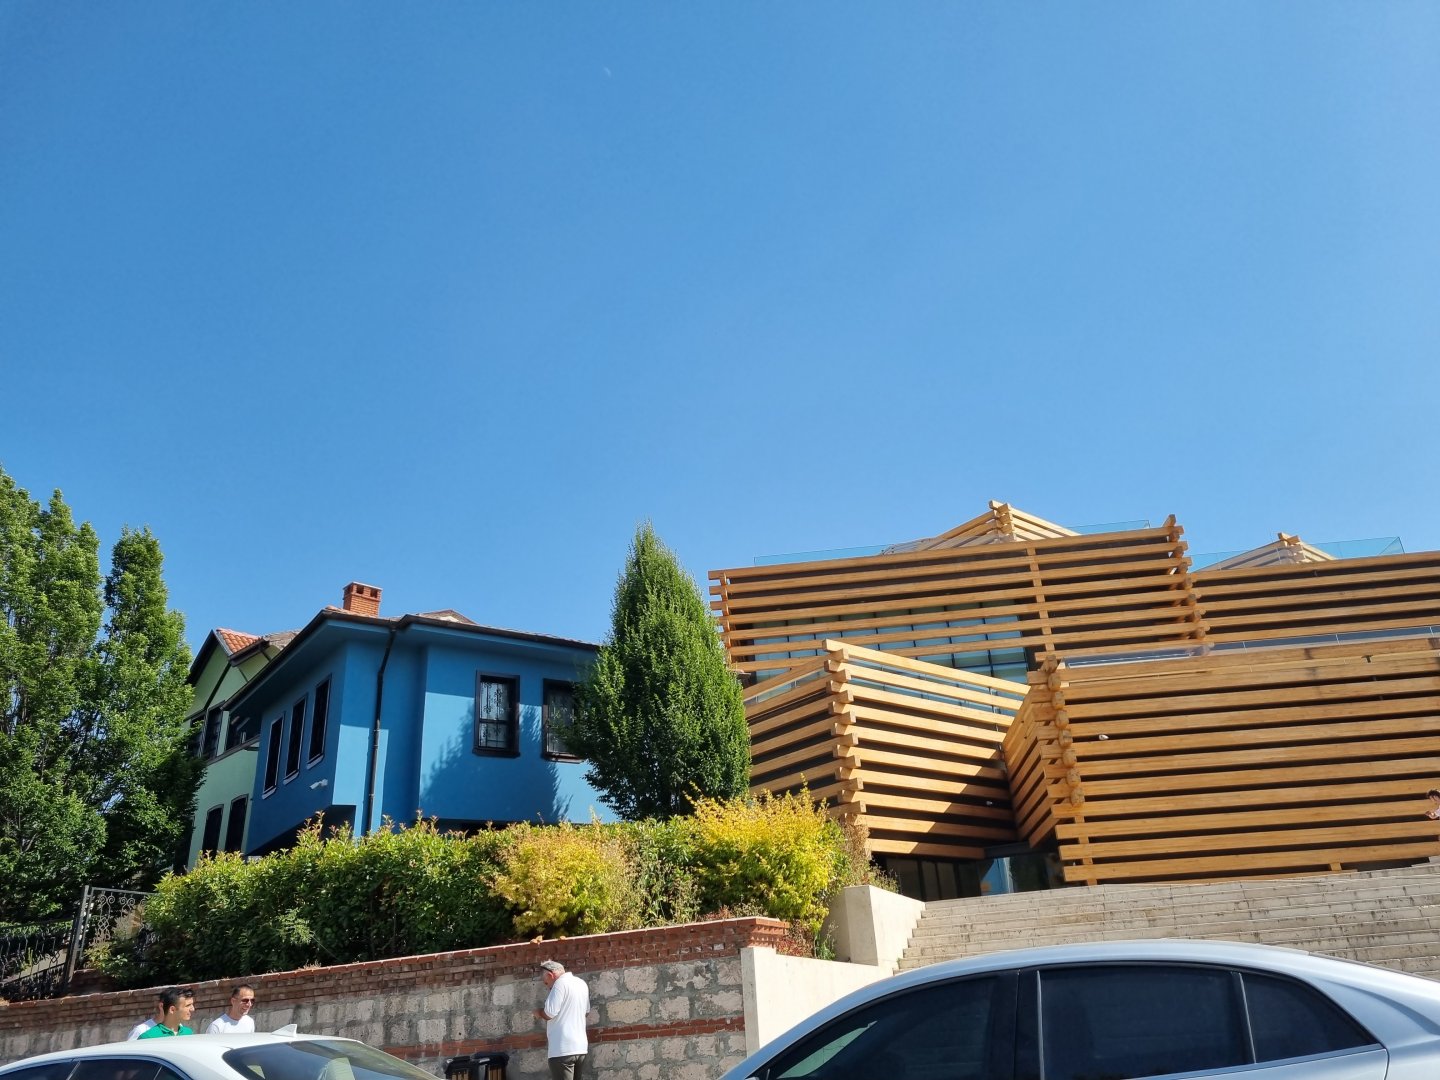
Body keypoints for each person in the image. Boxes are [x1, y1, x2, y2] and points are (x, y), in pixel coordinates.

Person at [533, 959, 589, 1080]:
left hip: (562, 1049)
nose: (547, 986)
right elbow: (586, 1012)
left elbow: (549, 1013)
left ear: (550, 975)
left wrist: (538, 1013)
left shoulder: (559, 984)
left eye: (546, 982)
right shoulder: (581, 983)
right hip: (580, 1048)